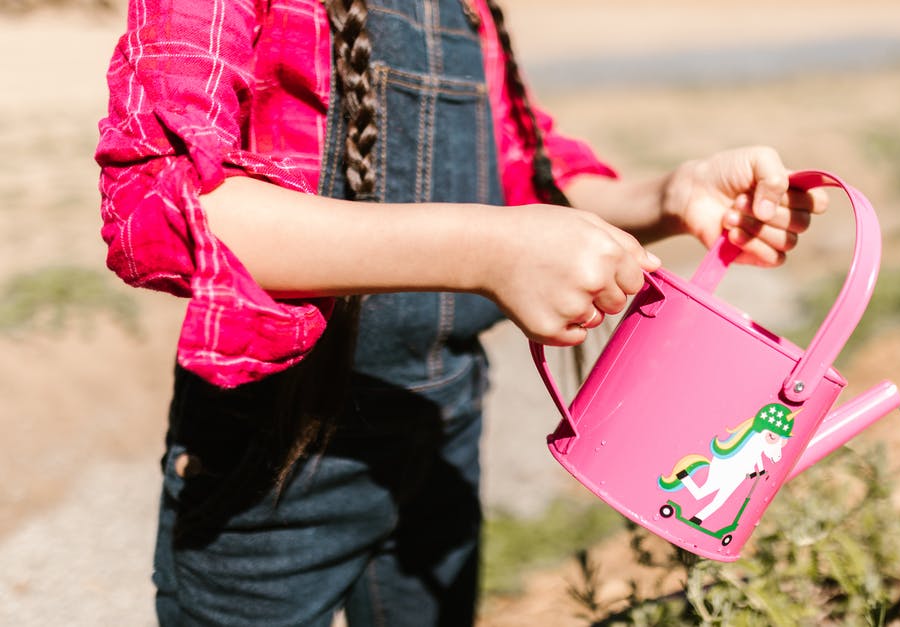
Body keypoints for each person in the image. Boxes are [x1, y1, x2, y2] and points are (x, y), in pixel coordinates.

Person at [95, 0, 827, 624]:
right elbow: (163, 207)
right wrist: (486, 251)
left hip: (441, 440)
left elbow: (526, 179)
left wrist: (672, 195)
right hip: (272, 469)